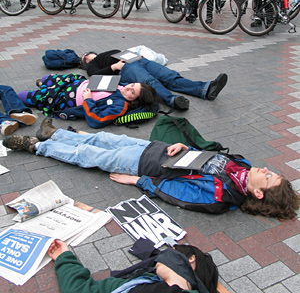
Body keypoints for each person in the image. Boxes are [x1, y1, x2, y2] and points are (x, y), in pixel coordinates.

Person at [4, 119, 299, 220]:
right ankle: (54, 134)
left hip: (142, 165)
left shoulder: (222, 198)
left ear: (259, 194)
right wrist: (185, 148)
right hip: (154, 148)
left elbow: (176, 192)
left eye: (269, 176)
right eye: (272, 171)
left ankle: (35, 146)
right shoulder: (242, 166)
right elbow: (204, 157)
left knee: (87, 153)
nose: (265, 169)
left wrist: (139, 181)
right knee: (101, 138)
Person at [81, 50, 228, 110]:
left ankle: (205, 89)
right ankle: (172, 100)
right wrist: (114, 67)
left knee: (170, 76)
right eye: (86, 56)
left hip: (137, 60)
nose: (89, 54)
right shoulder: (92, 65)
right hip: (125, 68)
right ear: (86, 60)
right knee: (150, 81)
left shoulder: (106, 52)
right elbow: (94, 77)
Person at [47, 240, 211, 293]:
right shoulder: (138, 280)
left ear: (190, 260)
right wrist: (64, 257)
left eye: (170, 253)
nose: (159, 259)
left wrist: (177, 279)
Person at [17, 74, 158, 128]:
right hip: (76, 83)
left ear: (136, 101)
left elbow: (97, 120)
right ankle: (46, 84)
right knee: (47, 78)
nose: (128, 88)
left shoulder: (120, 105)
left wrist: (88, 100)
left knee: (24, 96)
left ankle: (43, 90)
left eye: (132, 92)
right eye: (132, 85)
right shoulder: (121, 86)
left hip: (68, 98)